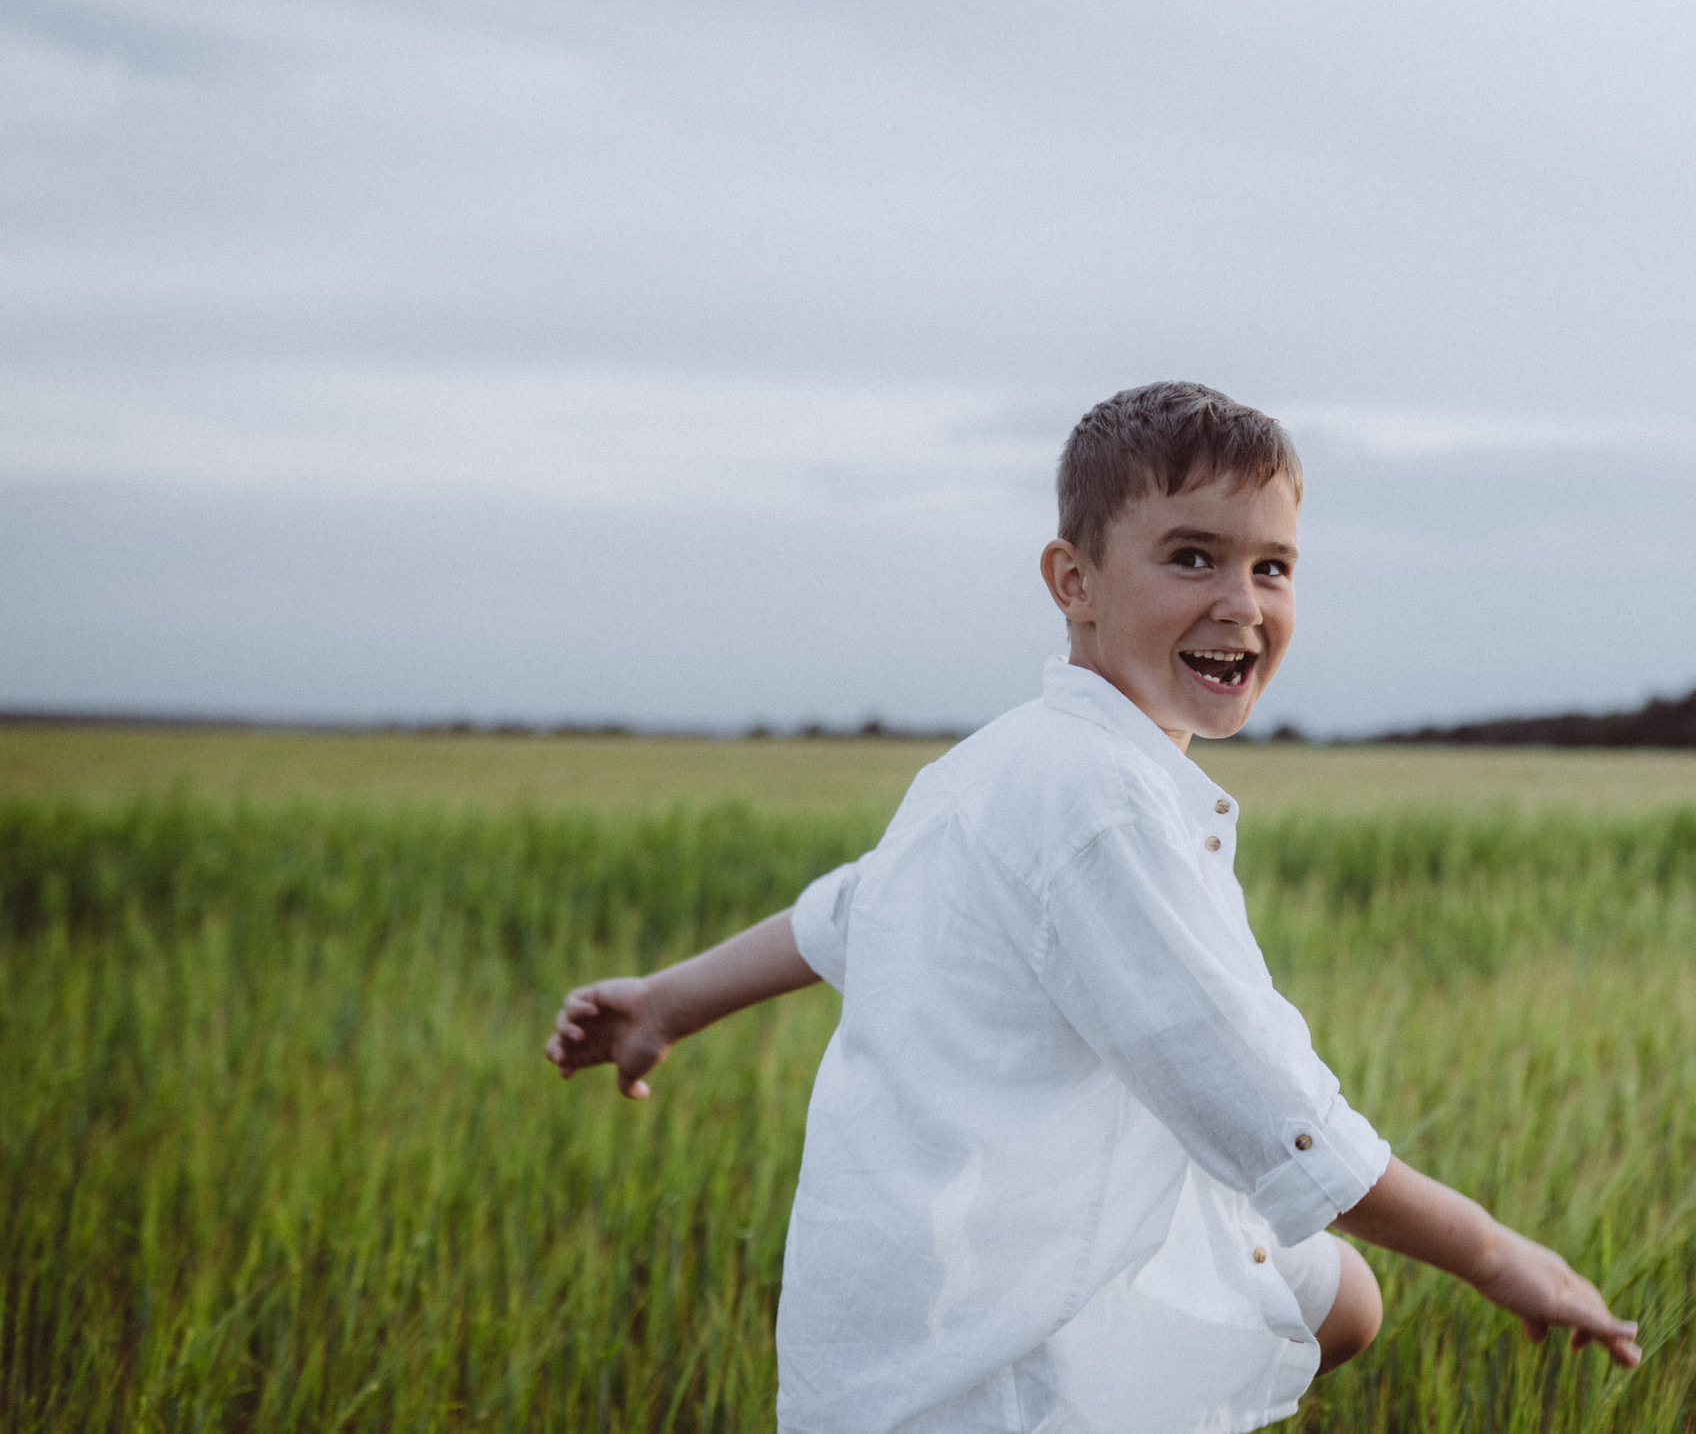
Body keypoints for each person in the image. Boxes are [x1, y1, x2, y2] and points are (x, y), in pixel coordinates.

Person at [545, 382, 1640, 1434]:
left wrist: (670, 1000)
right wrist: (1501, 1257)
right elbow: (1267, 1109)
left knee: (1337, 1298)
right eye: (1191, 558)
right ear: (1073, 581)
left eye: (1274, 566)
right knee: (1324, 1293)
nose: (1241, 603)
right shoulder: (1097, 799)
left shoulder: (1010, 761)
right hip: (999, 1362)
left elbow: (851, 908)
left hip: (960, 1269)